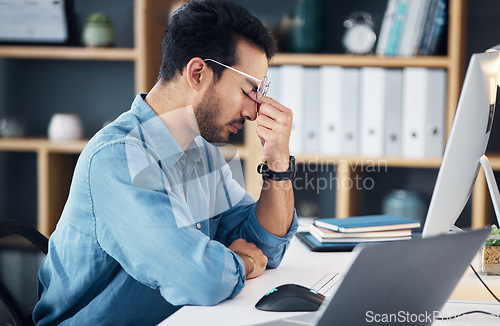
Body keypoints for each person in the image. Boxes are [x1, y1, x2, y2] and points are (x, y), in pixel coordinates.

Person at [33, 0, 297, 324]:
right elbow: (199, 279)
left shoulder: (200, 153)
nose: (254, 111)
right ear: (198, 73)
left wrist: (278, 161)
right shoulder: (115, 158)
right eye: (248, 90)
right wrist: (241, 262)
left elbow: (265, 247)